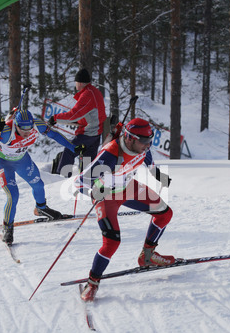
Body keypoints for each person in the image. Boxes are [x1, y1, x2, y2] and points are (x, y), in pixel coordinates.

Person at [74, 117, 175, 302]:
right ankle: (93, 282)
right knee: (112, 243)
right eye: (144, 141)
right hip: (106, 197)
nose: (147, 145)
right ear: (129, 138)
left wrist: (158, 174)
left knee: (165, 213)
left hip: (128, 188)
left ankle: (148, 255)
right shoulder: (109, 155)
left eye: (150, 141)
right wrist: (93, 191)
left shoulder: (142, 146)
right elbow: (79, 182)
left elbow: (148, 159)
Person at [0, 109, 85, 245]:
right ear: (16, 125)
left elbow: (54, 135)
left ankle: (41, 208)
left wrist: (73, 148)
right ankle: (7, 228)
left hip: (22, 160)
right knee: (13, 195)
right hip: (4, 163)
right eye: (23, 128)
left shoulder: (37, 124)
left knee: (38, 184)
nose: (27, 132)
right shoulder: (5, 131)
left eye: (29, 127)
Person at [48, 68, 107, 176]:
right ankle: (87, 181)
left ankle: (61, 178)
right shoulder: (94, 91)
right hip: (96, 132)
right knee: (88, 161)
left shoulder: (87, 95)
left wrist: (55, 118)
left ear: (79, 82)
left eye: (76, 82)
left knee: (69, 150)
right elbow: (87, 113)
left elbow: (74, 114)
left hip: (89, 133)